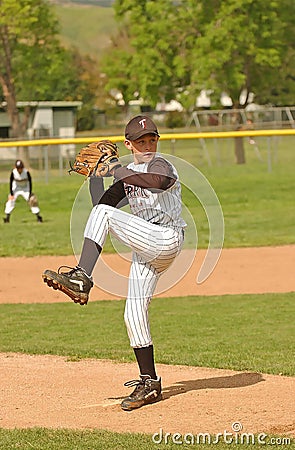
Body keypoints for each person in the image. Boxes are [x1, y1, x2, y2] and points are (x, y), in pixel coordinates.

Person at [42, 115, 186, 411]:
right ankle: (149, 382)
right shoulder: (129, 172)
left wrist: (117, 169)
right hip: (147, 246)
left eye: (152, 139)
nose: (147, 145)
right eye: (141, 141)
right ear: (128, 144)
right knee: (133, 313)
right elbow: (103, 206)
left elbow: (156, 183)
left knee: (105, 219)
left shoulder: (162, 166)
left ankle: (82, 277)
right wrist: (96, 177)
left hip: (166, 238)